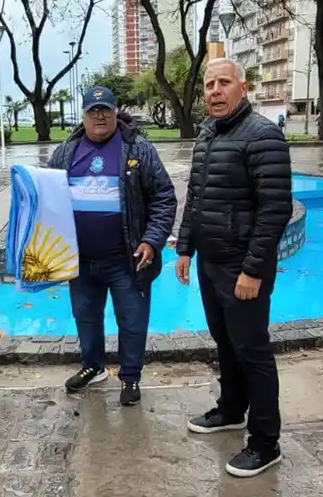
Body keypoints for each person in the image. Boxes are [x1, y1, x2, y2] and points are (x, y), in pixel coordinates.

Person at [174, 58, 293, 478]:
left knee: (253, 351)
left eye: (223, 83)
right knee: (225, 343)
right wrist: (185, 247)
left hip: (243, 268)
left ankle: (265, 442)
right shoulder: (207, 134)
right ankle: (230, 409)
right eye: (209, 85)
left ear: (243, 88)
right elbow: (196, 197)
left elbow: (275, 210)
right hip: (210, 263)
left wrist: (254, 270)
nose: (214, 91)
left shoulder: (263, 136)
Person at [45, 87, 177, 406]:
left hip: (126, 259)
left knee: (131, 321)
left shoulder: (138, 148)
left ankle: (130, 378)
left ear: (116, 112)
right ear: (84, 115)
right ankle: (93, 366)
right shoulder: (66, 151)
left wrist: (152, 240)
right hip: (81, 260)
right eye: (93, 110)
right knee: (85, 317)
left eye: (106, 109)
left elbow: (164, 197)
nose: (100, 115)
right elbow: (47, 198)